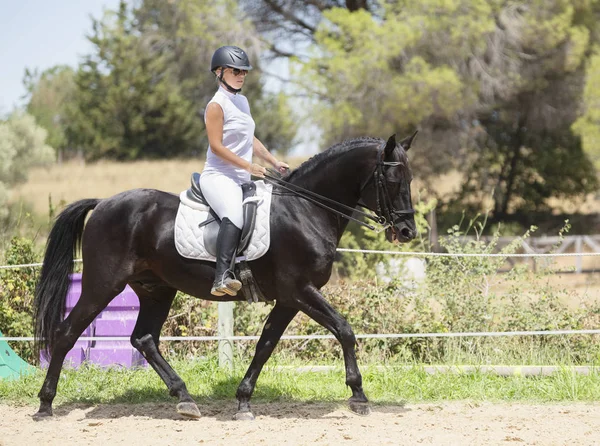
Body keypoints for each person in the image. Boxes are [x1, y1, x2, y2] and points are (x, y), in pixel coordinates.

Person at [201, 45, 289, 297]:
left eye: (244, 71)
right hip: (218, 177)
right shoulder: (216, 105)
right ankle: (221, 277)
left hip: (240, 178)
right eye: (235, 70)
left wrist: (273, 161)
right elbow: (216, 147)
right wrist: (249, 166)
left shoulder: (241, 101)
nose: (241, 75)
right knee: (234, 215)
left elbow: (249, 139)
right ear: (219, 72)